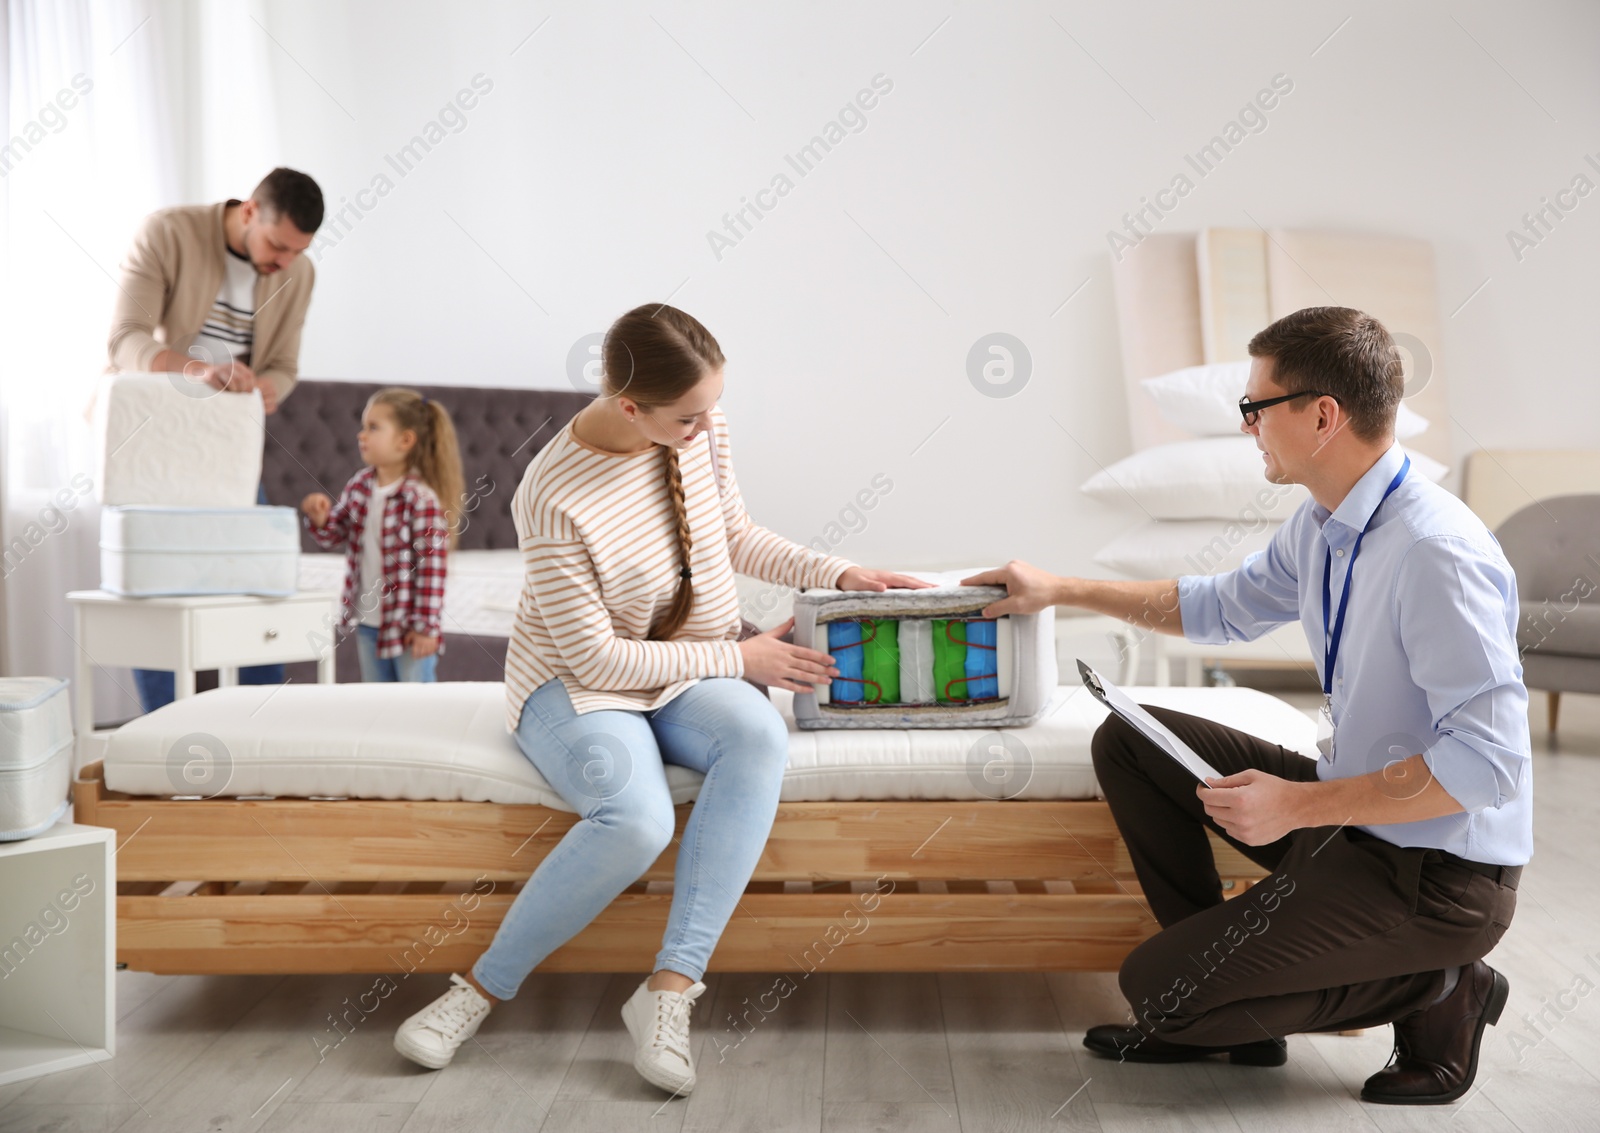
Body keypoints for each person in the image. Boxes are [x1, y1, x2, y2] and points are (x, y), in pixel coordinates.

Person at [967, 306, 1529, 1106]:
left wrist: (1298, 804)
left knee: (1154, 989)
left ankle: (1442, 984)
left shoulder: (1437, 552)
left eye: (1255, 407)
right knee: (1133, 740)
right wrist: (1061, 588)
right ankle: (1235, 1004)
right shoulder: (1326, 524)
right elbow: (1218, 607)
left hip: (1437, 876)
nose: (1247, 428)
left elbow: (1488, 763)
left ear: (1322, 415)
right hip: (1354, 824)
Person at [391, 303, 932, 1095]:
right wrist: (741, 655)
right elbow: (593, 654)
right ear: (629, 406)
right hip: (576, 684)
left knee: (757, 736)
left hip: (685, 667)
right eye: (690, 415)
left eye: (712, 406)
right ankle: (476, 991)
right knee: (637, 818)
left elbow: (734, 532)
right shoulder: (550, 494)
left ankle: (668, 993)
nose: (707, 424)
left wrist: (837, 571)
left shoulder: (695, 426)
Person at [106, 166, 324, 711]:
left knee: (256, 582)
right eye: (277, 246)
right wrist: (198, 370)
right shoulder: (168, 232)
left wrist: (264, 388)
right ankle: (164, 731)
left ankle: (260, 727)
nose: (284, 263)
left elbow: (284, 367)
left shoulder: (298, 274)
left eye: (297, 251)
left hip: (225, 443)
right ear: (249, 211)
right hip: (153, 438)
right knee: (157, 590)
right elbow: (124, 340)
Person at [300, 388, 463, 682]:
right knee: (377, 703)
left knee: (416, 707)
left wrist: (426, 627)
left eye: (373, 428)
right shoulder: (360, 486)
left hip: (407, 626)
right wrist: (321, 518)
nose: (361, 435)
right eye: (363, 427)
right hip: (368, 620)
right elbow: (334, 536)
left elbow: (431, 569)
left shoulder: (420, 499)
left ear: (405, 440)